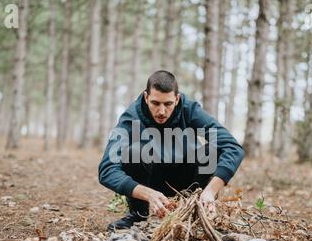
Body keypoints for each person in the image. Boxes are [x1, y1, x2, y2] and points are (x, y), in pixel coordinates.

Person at [98, 70, 245, 232]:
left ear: (177, 99)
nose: (161, 111)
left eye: (168, 104)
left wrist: (210, 191)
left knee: (212, 151)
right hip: (151, 181)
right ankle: (137, 215)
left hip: (188, 179)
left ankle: (198, 209)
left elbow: (233, 147)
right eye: (155, 103)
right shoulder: (131, 117)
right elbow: (107, 170)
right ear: (146, 97)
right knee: (135, 152)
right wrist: (147, 194)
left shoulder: (190, 110)